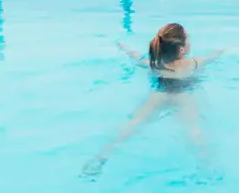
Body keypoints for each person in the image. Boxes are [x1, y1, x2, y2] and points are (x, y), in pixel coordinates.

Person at [82, 23, 223, 177]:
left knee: (132, 125)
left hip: (159, 93)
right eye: (187, 38)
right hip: (183, 94)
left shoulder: (155, 63)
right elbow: (211, 58)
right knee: (194, 129)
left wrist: (124, 48)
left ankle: (100, 158)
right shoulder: (192, 63)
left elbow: (136, 57)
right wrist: (223, 51)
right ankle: (207, 170)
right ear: (182, 49)